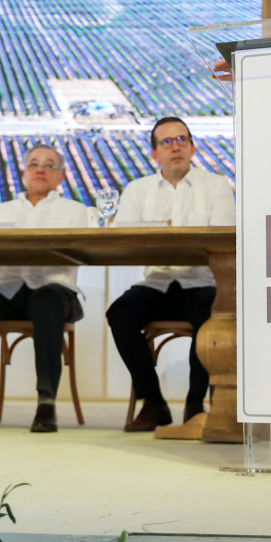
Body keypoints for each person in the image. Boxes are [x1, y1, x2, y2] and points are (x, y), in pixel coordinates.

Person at [0, 144, 92, 433]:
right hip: (5, 288)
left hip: (54, 289)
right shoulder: (1, 211)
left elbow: (76, 250)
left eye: (49, 165)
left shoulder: (75, 211)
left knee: (47, 300)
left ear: (60, 176)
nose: (40, 169)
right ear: (24, 173)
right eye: (34, 163)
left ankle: (46, 403)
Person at [108, 117, 236, 432]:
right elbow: (125, 239)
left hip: (202, 282)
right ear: (155, 154)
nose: (175, 147)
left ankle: (195, 404)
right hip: (157, 283)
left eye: (182, 140)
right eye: (166, 142)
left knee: (211, 314)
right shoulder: (137, 190)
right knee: (120, 313)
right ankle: (153, 402)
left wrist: (163, 238)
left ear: (193, 148)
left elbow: (222, 238)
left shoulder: (216, 185)